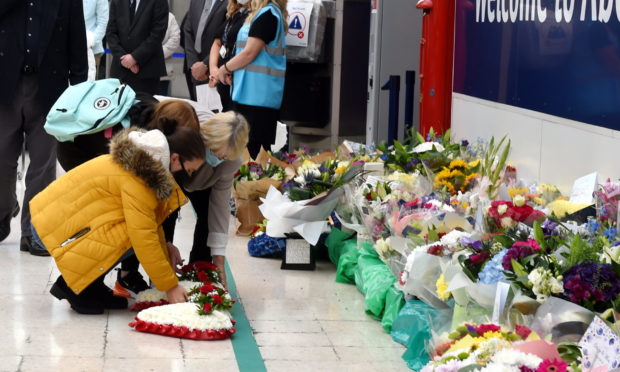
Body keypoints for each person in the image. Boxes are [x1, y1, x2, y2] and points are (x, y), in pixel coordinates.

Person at [30, 124, 206, 314]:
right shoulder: (141, 179)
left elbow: (152, 226)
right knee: (131, 236)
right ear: (174, 158)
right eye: (188, 169)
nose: (186, 175)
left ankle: (92, 285)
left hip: (55, 223)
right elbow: (144, 237)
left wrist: (166, 253)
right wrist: (170, 287)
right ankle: (72, 288)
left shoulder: (142, 161)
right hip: (51, 229)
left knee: (133, 230)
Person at [0, 0, 88, 256]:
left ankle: (34, 231)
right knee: (2, 159)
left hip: (50, 89)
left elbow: (76, 40)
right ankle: (3, 212)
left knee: (43, 163)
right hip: (6, 87)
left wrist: (79, 92)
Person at [165, 112, 250, 288]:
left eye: (223, 157)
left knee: (207, 213)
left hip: (204, 180)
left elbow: (219, 206)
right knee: (167, 212)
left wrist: (218, 260)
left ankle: (199, 271)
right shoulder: (186, 131)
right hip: (172, 167)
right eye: (214, 152)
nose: (218, 159)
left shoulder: (230, 159)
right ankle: (159, 272)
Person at [216, 0, 287, 159]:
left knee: (255, 156)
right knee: (242, 153)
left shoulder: (268, 14)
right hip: (247, 94)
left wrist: (225, 68)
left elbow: (249, 53)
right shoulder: (258, 14)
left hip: (259, 99)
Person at [106, 0, 169, 94]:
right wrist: (124, 59)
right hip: (120, 71)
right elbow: (111, 33)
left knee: (145, 107)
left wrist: (135, 57)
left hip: (146, 71)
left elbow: (157, 34)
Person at [208, 0, 251, 111]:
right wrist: (214, 69)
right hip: (222, 77)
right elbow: (218, 42)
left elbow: (248, 52)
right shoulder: (235, 13)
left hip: (235, 77)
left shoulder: (254, 16)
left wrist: (225, 70)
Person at [183, 0, 228, 98]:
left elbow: (227, 37)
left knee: (218, 112)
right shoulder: (195, 2)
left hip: (218, 71)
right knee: (198, 111)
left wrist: (206, 64)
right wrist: (193, 64)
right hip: (194, 71)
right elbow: (187, 30)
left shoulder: (230, 3)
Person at [83, 0, 109, 80]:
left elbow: (103, 22)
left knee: (89, 87)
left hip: (92, 49)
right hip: (67, 49)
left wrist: (90, 41)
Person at [160, 12, 181, 95]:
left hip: (162, 71)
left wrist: (154, 55)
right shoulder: (136, 13)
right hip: (137, 69)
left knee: (160, 104)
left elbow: (175, 40)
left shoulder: (169, 17)